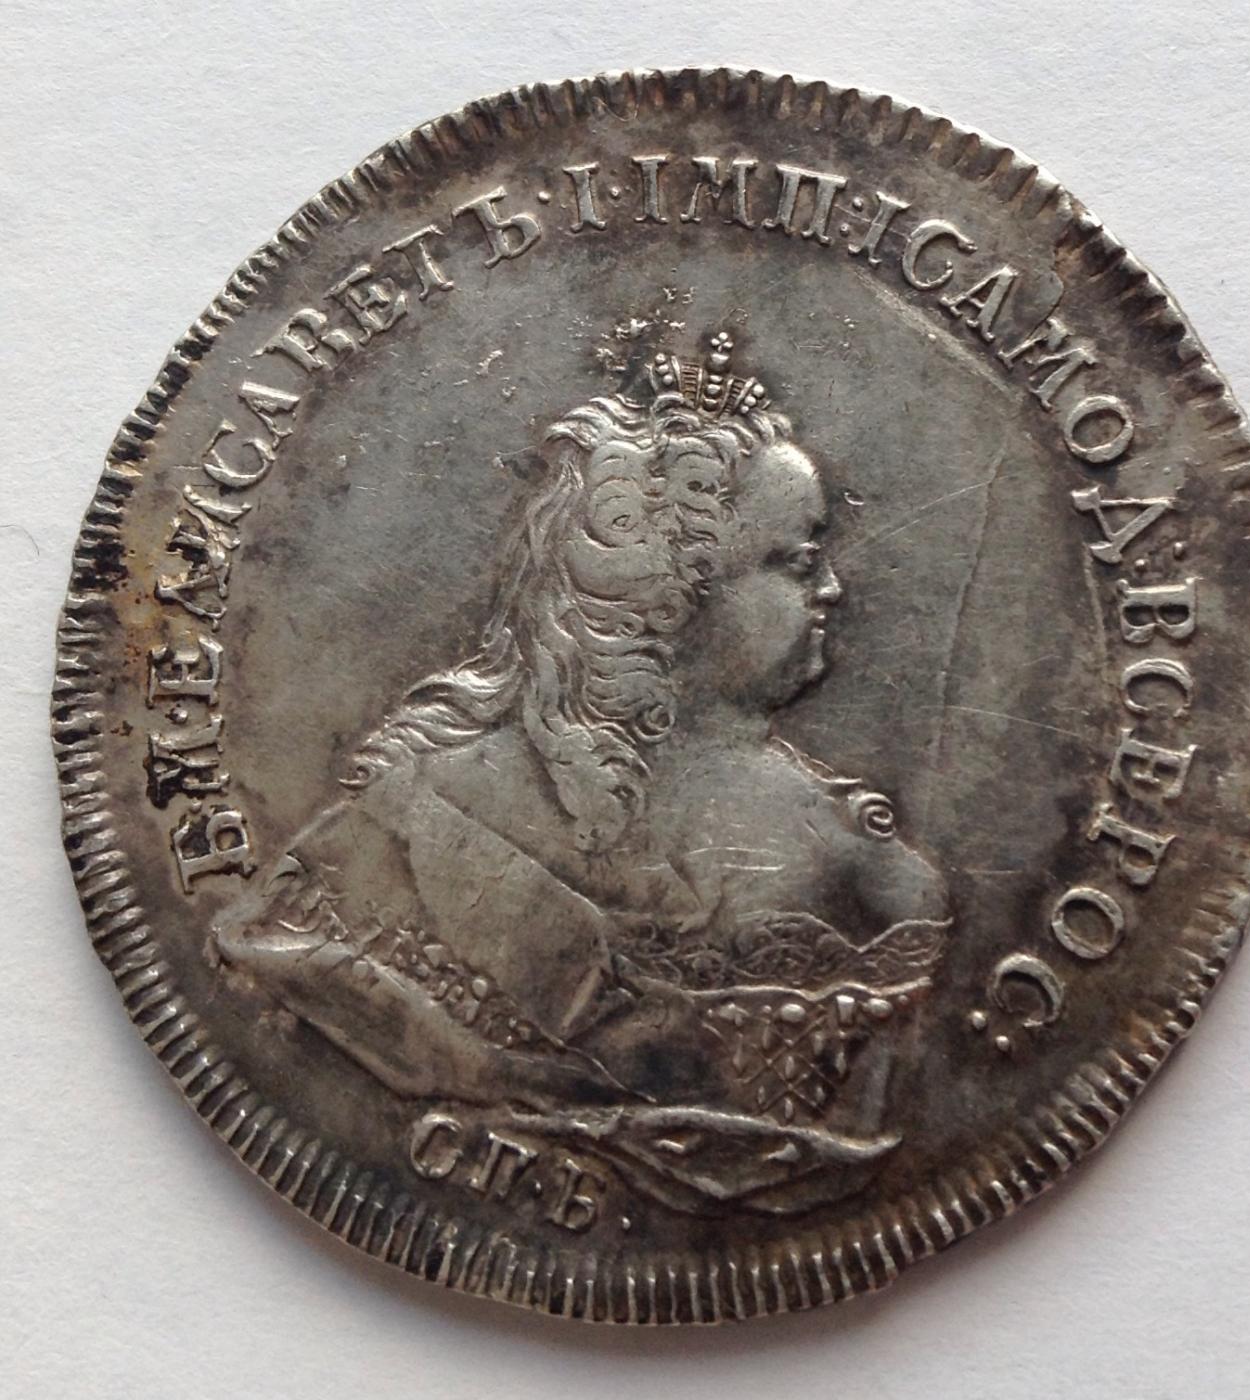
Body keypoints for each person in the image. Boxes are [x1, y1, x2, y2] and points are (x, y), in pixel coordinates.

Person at [213, 334, 951, 1212]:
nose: (830, 588)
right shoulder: (408, 825)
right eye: (794, 560)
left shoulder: (860, 863)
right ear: (666, 596)